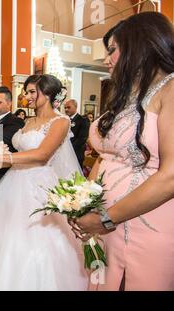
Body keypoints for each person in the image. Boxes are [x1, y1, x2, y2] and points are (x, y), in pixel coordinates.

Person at [0, 75, 88, 290]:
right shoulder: (28, 122)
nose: (26, 97)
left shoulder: (61, 121)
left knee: (37, 240)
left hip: (41, 186)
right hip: (13, 182)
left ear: (48, 94)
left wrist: (1, 158)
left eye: (32, 92)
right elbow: (16, 156)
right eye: (26, 92)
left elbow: (42, 155)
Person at [70, 12, 174, 291]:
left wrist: (105, 218)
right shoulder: (127, 97)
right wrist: (83, 204)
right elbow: (107, 157)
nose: (106, 59)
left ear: (139, 45)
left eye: (112, 50)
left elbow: (171, 176)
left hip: (147, 222)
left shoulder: (171, 90)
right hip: (106, 221)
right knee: (101, 282)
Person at [64, 99, 90, 167]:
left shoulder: (83, 120)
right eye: (65, 107)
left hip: (76, 153)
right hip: (64, 155)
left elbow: (82, 138)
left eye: (68, 107)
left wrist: (68, 148)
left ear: (75, 107)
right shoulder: (64, 120)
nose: (66, 109)